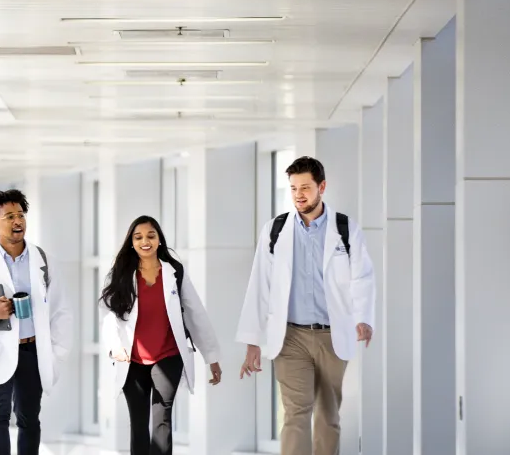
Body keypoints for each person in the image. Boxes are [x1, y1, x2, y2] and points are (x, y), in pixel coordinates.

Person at [236, 156, 376, 455]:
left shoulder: (345, 229)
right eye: (293, 188)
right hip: (291, 337)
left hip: (332, 335)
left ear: (321, 187)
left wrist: (363, 318)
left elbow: (362, 276)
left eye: (305, 187)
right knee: (295, 414)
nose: (299, 194)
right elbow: (260, 284)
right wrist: (252, 341)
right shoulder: (275, 230)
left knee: (328, 418)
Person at [0, 189, 72, 455]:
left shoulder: (44, 261)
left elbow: (62, 310)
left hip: (32, 351)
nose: (18, 221)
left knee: (29, 418)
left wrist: (57, 352)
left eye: (20, 215)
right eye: (9, 216)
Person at [100, 215, 222, 455]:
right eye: (139, 237)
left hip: (168, 355)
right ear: (131, 243)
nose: (145, 241)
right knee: (138, 422)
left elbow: (196, 313)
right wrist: (114, 345)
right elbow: (107, 313)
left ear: (159, 240)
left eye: (150, 236)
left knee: (162, 417)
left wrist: (212, 356)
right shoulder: (121, 274)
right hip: (132, 360)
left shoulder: (174, 272)